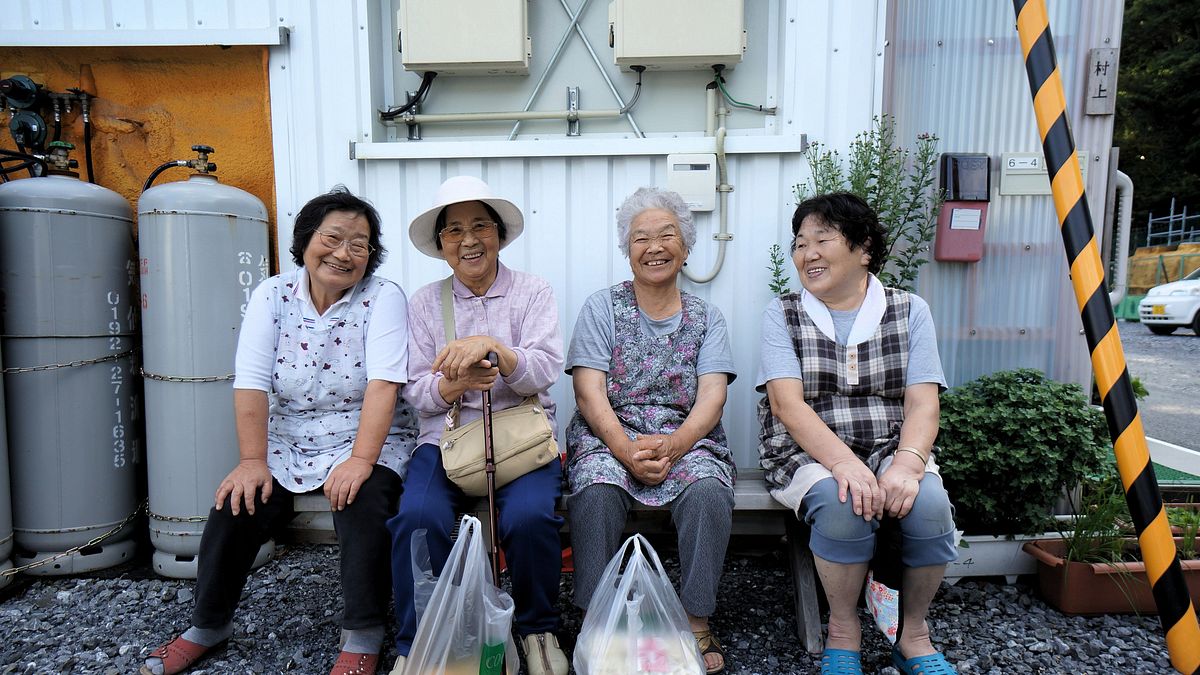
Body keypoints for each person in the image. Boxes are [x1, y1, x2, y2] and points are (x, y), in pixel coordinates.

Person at [141, 187, 418, 675]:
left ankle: (363, 631)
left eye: (360, 244)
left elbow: (384, 385)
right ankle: (208, 624)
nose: (344, 252)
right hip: (288, 438)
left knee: (361, 498)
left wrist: (359, 459)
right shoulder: (272, 294)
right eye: (332, 237)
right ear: (305, 240)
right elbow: (250, 382)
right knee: (236, 502)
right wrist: (252, 461)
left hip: (367, 437)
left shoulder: (383, 297)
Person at [757, 192, 957, 675]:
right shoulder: (782, 313)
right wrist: (844, 463)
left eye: (822, 239)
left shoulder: (910, 311)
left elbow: (922, 402)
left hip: (891, 445)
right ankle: (843, 631)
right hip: (806, 452)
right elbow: (787, 404)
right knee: (844, 502)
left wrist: (908, 465)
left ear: (864, 249)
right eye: (800, 243)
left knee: (927, 504)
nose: (808, 254)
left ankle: (914, 635)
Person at [387, 176, 567, 675]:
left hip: (522, 435)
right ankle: (424, 639)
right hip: (445, 438)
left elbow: (546, 368)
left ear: (499, 234)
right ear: (442, 244)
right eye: (454, 231)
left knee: (530, 518)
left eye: (480, 226)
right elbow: (416, 392)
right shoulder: (425, 303)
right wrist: (455, 383)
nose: (469, 240)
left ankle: (537, 628)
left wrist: (497, 348)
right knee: (417, 518)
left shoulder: (533, 291)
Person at [565, 187, 736, 675]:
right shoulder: (603, 307)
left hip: (686, 438)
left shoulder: (707, 317)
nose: (654, 247)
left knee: (707, 491)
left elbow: (712, 396)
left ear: (686, 246)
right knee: (595, 489)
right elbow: (588, 393)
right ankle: (596, 622)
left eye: (667, 235)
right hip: (609, 435)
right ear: (627, 249)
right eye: (641, 238)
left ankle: (695, 618)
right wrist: (624, 449)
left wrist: (676, 444)